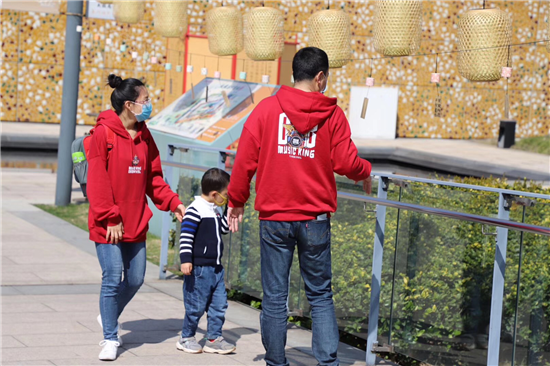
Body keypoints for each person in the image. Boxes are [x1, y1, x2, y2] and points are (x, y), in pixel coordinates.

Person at [227, 47, 373, 366]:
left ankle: (276, 362)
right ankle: (328, 362)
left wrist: (236, 201)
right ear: (320, 77)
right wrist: (366, 171)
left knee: (276, 298)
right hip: (315, 220)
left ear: (295, 74)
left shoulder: (266, 110)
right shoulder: (333, 115)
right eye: (326, 78)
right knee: (320, 296)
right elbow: (347, 162)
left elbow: (244, 161)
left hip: (275, 218)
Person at [87, 74, 186, 361]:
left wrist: (174, 203)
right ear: (129, 105)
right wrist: (110, 217)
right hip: (108, 223)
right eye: (145, 100)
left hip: (135, 220)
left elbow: (154, 179)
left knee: (134, 279)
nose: (149, 104)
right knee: (112, 277)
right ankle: (109, 337)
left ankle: (108, 314)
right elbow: (97, 181)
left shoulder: (145, 136)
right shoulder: (102, 135)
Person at [176, 168, 236, 355]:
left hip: (216, 269)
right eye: (225, 195)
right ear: (214, 194)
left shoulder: (216, 209)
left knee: (219, 305)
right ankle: (186, 338)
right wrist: (185, 260)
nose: (226, 198)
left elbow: (224, 229)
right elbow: (186, 236)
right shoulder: (195, 209)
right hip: (199, 269)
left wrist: (229, 209)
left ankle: (213, 338)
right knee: (195, 306)